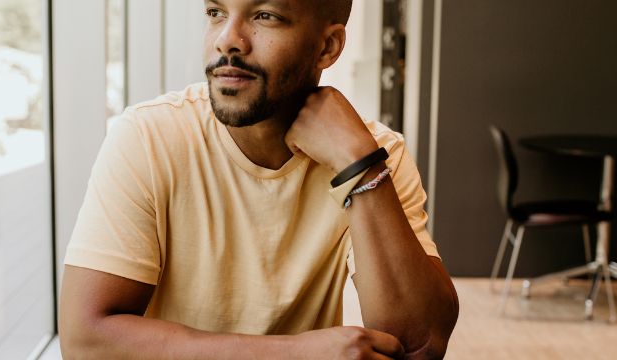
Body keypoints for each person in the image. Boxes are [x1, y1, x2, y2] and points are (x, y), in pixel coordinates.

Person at [58, 0, 459, 358]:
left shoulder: (373, 154)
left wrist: (361, 167)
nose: (227, 41)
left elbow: (420, 344)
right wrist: (292, 355)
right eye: (216, 13)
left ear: (328, 47)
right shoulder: (148, 136)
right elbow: (85, 340)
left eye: (264, 16)